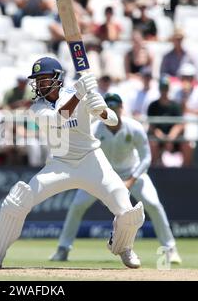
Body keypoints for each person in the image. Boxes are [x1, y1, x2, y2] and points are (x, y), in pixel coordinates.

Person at [0, 57, 145, 270]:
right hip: (60, 164)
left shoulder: (79, 94)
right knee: (17, 200)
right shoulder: (36, 108)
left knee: (127, 209)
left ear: (57, 78)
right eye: (37, 81)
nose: (40, 85)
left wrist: (100, 109)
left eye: (44, 79)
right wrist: (80, 94)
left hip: (91, 160)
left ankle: (124, 247)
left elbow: (112, 120)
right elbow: (58, 119)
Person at [49, 93, 182, 264]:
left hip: (132, 174)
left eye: (115, 107)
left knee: (154, 205)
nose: (112, 110)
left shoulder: (134, 127)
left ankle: (170, 249)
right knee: (77, 206)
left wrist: (131, 180)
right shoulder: (95, 128)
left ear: (121, 108)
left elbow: (146, 158)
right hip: (102, 175)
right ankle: (63, 249)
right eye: (109, 106)